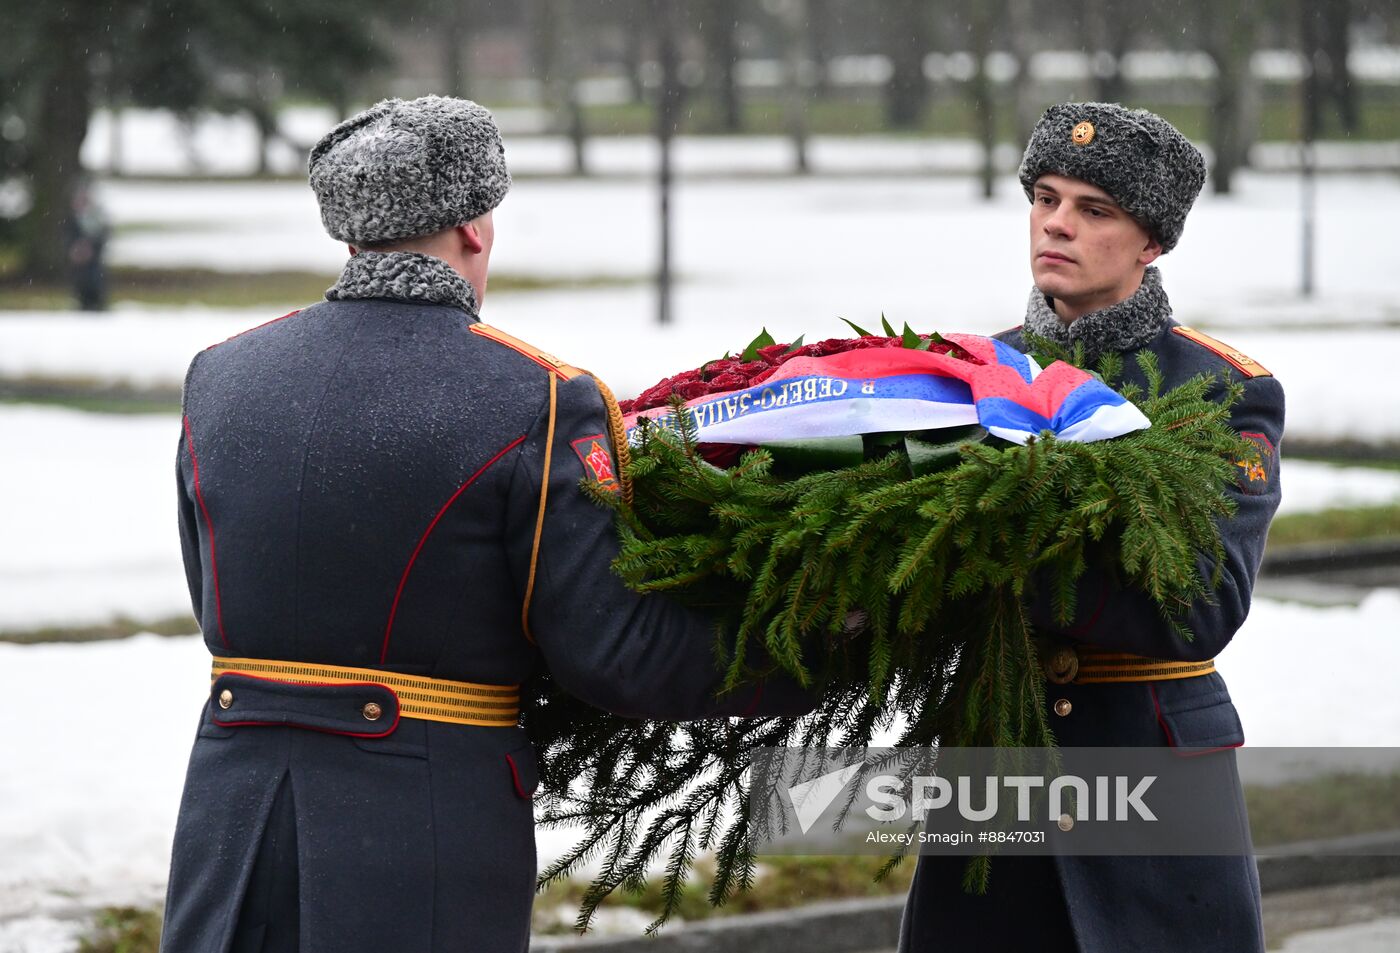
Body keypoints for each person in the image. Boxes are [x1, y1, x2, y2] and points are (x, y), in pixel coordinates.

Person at [159, 96, 809, 953]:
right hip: (418, 839)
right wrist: (814, 642)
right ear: (475, 225)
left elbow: (221, 607)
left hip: (229, 830)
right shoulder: (534, 396)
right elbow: (611, 653)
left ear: (351, 231)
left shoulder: (222, 377)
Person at [898, 103, 1284, 952]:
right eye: (1045, 197)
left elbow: (1202, 603)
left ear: (1151, 242)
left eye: (1094, 209)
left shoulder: (1220, 391)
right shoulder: (964, 376)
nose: (1057, 225)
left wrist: (1006, 556)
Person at [64, 180, 110, 311]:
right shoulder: (73, 218)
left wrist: (91, 248)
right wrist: (76, 249)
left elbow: (102, 235)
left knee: (94, 279)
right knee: (81, 280)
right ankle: (83, 301)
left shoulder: (95, 216)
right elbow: (69, 236)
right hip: (80, 260)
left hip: (93, 258)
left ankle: (97, 302)